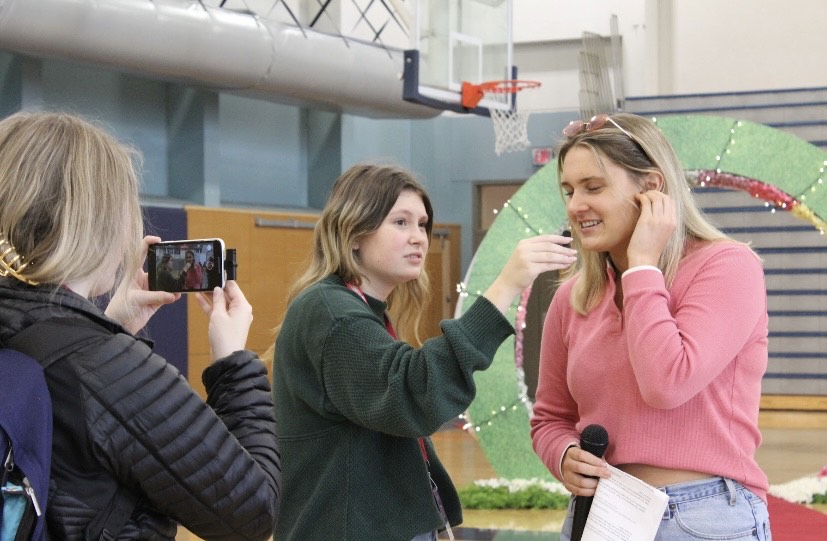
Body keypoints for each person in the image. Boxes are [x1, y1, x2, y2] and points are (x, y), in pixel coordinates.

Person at [0, 111, 281, 540]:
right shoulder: (103, 366)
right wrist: (233, 362)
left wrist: (112, 325)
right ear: (100, 223)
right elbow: (253, 507)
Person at [270, 163, 577, 540]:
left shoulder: (356, 309)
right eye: (400, 222)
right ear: (353, 234)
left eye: (422, 224)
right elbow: (414, 396)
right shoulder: (333, 313)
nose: (418, 237)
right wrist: (505, 286)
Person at [530, 113, 771, 540]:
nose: (574, 205)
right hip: (601, 513)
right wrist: (563, 453)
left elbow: (667, 383)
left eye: (593, 187)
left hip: (706, 514)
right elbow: (550, 417)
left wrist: (642, 265)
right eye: (568, 190)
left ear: (651, 189)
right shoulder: (572, 297)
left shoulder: (728, 267)